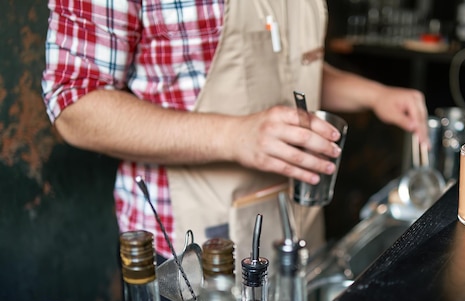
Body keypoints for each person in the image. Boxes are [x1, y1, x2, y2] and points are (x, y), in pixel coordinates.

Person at [42, 0, 428, 276]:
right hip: (190, 243)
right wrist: (235, 135)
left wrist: (375, 95)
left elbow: (286, 65)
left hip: (298, 223)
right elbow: (73, 104)